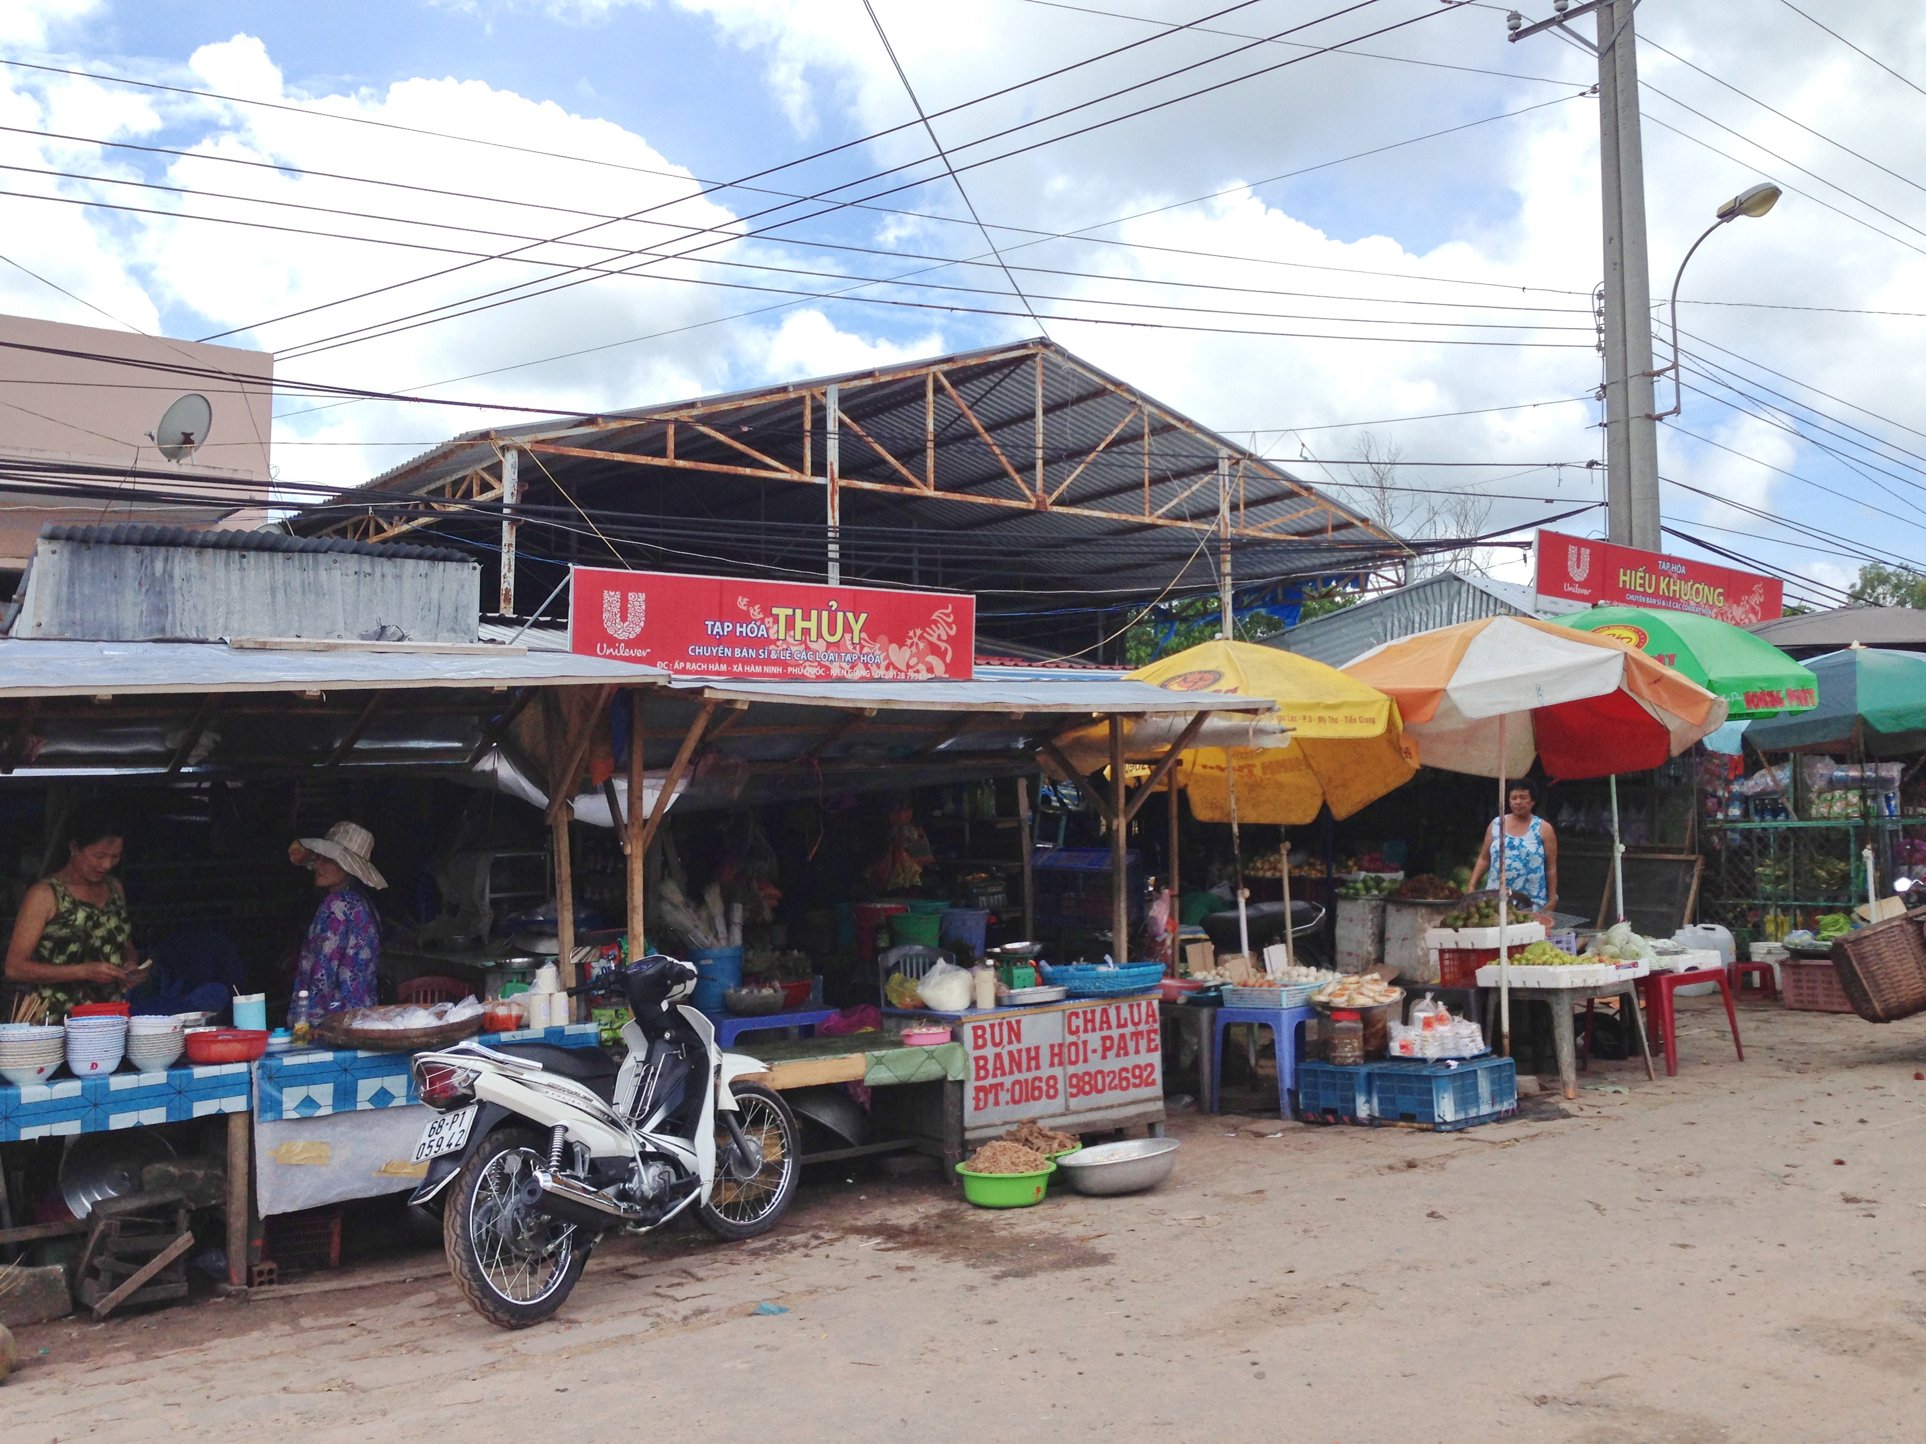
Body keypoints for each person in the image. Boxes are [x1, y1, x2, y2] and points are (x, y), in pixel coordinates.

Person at [4, 805, 143, 1020]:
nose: (106, 865)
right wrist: (83, 971)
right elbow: (15, 968)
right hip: (55, 1020)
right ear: (74, 848)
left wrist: (130, 966)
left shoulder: (115, 888)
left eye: (115, 856)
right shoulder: (44, 895)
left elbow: (125, 945)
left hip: (110, 1016)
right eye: (99, 856)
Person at [290, 821, 387, 1015]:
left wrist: (309, 1020)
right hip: (361, 1016)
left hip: (331, 1021)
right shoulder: (363, 905)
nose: (317, 864)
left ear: (348, 869)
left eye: (329, 860)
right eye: (319, 858)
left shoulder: (336, 906)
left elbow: (322, 971)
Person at [1468, 778, 1559, 921]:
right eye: (1514, 798)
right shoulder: (1496, 824)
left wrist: (1552, 898)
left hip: (1532, 902)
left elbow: (1551, 868)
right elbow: (1484, 859)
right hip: (1496, 901)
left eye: (1523, 798)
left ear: (1533, 801)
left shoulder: (1544, 829)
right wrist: (1472, 886)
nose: (1518, 802)